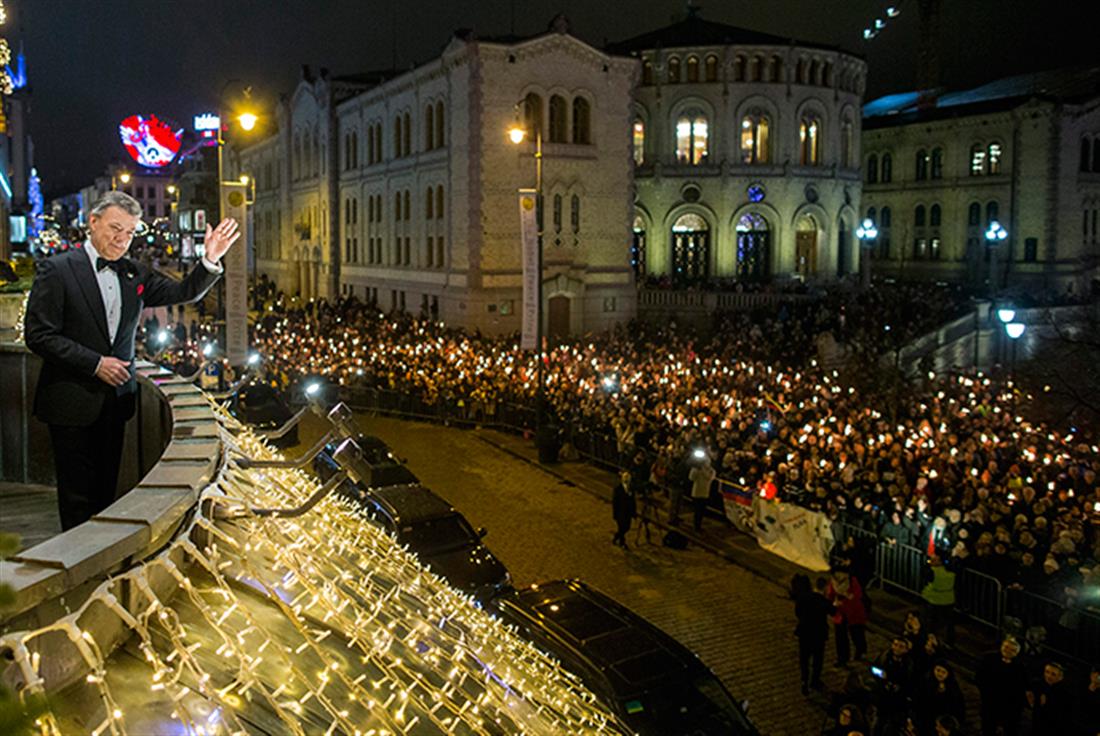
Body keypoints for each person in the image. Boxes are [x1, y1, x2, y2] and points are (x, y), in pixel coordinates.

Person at [24, 192, 239, 530]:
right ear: (92, 223)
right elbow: (38, 335)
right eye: (115, 228)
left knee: (107, 492)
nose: (122, 240)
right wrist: (96, 363)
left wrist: (210, 259)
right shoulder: (57, 270)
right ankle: (78, 566)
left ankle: (102, 566)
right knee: (77, 498)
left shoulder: (134, 274)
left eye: (129, 232)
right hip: (70, 401)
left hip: (116, 402)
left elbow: (183, 292)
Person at [976, 636, 1027, 736]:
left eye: (1012, 650)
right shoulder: (989, 658)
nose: (1008, 651)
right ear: (1001, 646)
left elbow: (1021, 687)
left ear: (1016, 653)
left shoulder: (1020, 667)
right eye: (1006, 647)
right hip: (990, 701)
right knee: (988, 728)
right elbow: (979, 677)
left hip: (1009, 705)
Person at [794, 575, 833, 694]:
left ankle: (804, 681)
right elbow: (833, 611)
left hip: (804, 633)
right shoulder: (823, 601)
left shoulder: (804, 597)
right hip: (818, 635)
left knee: (804, 659)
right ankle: (815, 681)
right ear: (825, 588)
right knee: (817, 659)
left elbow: (798, 611)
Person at [826, 567, 868, 666]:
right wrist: (833, 603)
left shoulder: (853, 582)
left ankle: (860, 651)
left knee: (857, 633)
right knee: (840, 637)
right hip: (840, 614)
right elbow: (830, 595)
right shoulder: (833, 583)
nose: (840, 576)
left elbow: (857, 595)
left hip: (854, 613)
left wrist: (846, 596)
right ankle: (842, 658)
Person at [921, 556, 957, 648]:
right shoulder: (951, 571)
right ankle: (949, 642)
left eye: (933, 560)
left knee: (930, 623)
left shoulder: (932, 571)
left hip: (933, 599)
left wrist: (927, 564)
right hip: (949, 600)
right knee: (949, 624)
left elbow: (925, 577)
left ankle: (930, 642)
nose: (931, 561)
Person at [1027, 660, 1071, 735]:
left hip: (1052, 727)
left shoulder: (1064, 692)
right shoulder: (1036, 683)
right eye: (1047, 672)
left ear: (1060, 677)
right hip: (1034, 723)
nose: (1048, 676)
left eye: (1053, 674)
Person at [688, 453, 716, 532]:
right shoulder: (697, 469)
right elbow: (691, 478)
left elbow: (710, 478)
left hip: (704, 493)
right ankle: (696, 526)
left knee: (701, 511)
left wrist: (702, 470)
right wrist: (696, 470)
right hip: (697, 492)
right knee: (697, 511)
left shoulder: (711, 470)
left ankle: (698, 525)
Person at [611, 470, 636, 548]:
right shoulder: (618, 489)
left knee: (627, 527)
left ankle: (616, 536)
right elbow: (615, 503)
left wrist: (633, 512)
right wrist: (615, 514)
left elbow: (633, 502)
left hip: (628, 512)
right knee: (622, 527)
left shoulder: (631, 489)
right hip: (620, 512)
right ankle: (622, 542)